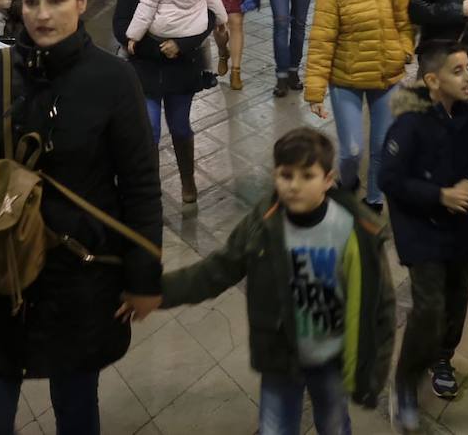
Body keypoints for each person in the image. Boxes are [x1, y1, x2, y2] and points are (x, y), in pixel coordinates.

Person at [0, 0, 162, 434]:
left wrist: (144, 274)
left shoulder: (113, 80)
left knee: (75, 404)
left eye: (55, 0)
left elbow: (139, 184)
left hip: (78, 275)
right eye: (30, 2)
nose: (41, 14)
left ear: (82, 1)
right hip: (1, 270)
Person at [155, 127, 395, 435]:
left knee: (334, 424)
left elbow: (382, 306)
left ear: (328, 179)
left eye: (307, 176)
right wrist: (159, 292)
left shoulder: (356, 230)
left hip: (332, 357)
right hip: (280, 356)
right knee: (274, 427)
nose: (294, 186)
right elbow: (218, 270)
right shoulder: (264, 223)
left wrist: (372, 370)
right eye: (285, 175)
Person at [381, 42, 468, 431]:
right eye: (459, 71)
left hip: (459, 228)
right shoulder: (410, 123)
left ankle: (442, 357)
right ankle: (405, 382)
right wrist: (439, 195)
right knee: (429, 307)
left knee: (457, 301)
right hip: (419, 229)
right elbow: (389, 178)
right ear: (433, 81)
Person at [303, 0, 414, 211]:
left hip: (386, 78)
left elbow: (405, 26)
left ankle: (375, 199)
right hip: (346, 79)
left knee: (381, 148)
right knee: (351, 150)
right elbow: (322, 40)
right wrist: (314, 90)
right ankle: (347, 183)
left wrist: (404, 49)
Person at [114, 0, 212, 203]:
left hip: (180, 67)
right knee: (150, 129)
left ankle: (187, 179)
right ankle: (150, 189)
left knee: (180, 125)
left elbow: (209, 18)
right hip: (144, 67)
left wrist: (181, 45)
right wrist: (155, 48)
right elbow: (120, 26)